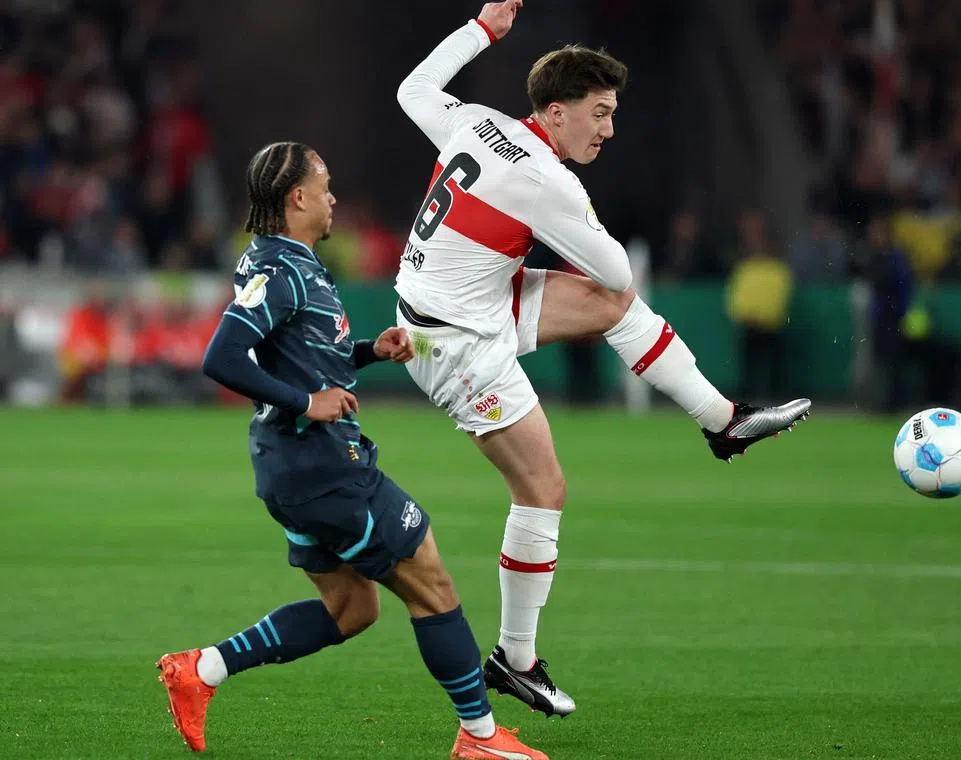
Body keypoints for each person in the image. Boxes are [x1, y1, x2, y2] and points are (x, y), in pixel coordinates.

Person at [394, 0, 811, 717]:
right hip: (452, 343)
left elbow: (413, 90)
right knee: (544, 489)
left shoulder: (477, 122)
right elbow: (618, 265)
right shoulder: (547, 181)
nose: (608, 129)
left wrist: (483, 31)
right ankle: (514, 659)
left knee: (610, 309)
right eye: (599, 113)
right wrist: (573, 212)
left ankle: (723, 421)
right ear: (555, 113)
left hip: (463, 300)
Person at [156, 142, 547, 760]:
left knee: (350, 609)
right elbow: (222, 356)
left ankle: (202, 670)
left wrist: (367, 350)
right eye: (326, 185)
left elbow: (298, 351)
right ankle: (479, 738)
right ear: (298, 197)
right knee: (432, 584)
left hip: (291, 469)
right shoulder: (282, 270)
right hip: (323, 467)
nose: (334, 196)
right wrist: (306, 402)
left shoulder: (287, 261)